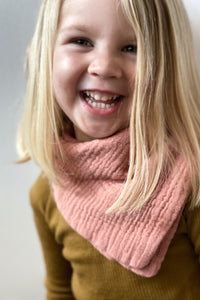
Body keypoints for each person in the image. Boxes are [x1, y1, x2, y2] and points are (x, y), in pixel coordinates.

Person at [17, 0, 200, 299]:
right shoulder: (45, 193)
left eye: (132, 48)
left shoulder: (191, 179)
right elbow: (60, 290)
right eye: (81, 41)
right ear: (45, 56)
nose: (103, 67)